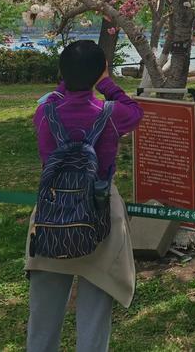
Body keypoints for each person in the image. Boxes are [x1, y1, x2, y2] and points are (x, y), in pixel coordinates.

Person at [26, 39, 143, 352]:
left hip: (51, 217)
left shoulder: (44, 112)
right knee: (94, 316)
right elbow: (136, 110)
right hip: (99, 218)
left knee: (43, 317)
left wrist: (70, 78)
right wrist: (105, 82)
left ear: (62, 73)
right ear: (98, 74)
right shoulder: (112, 114)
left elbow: (55, 96)